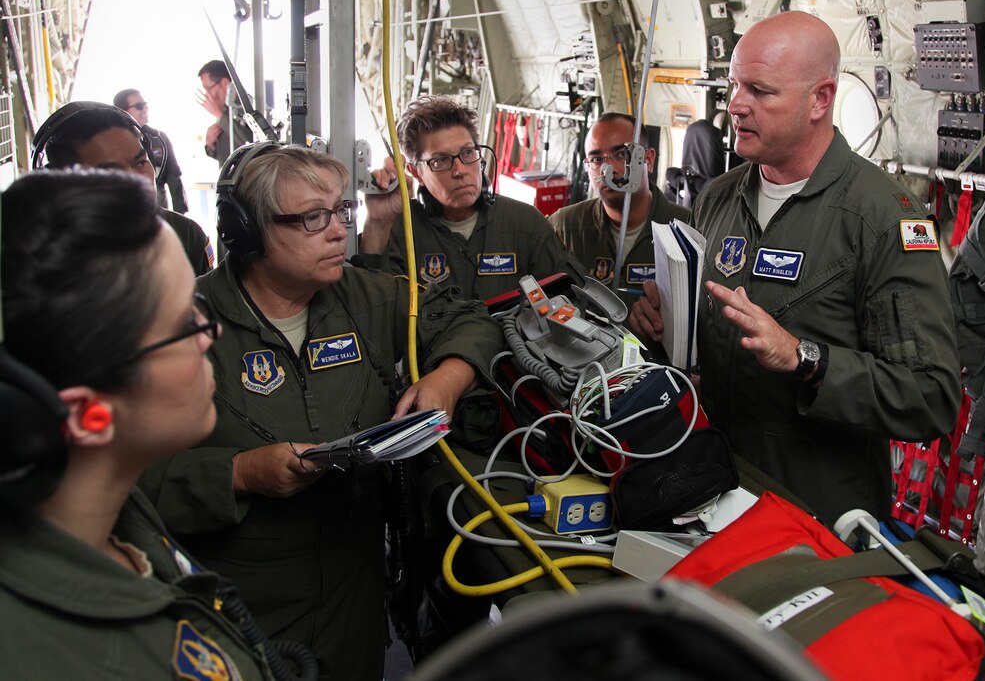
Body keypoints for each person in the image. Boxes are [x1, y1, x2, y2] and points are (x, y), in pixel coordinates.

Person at [139, 143, 505, 680]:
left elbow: (471, 319)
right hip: (238, 610)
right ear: (247, 232)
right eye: (313, 218)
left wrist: (448, 377)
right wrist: (240, 474)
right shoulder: (178, 326)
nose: (339, 231)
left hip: (351, 603)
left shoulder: (366, 297)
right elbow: (131, 486)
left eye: (340, 211)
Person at [628, 11, 960, 524]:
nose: (735, 105)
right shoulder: (718, 198)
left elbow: (931, 397)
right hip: (713, 489)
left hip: (814, 514)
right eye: (735, 85)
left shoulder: (882, 219)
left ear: (820, 100)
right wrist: (661, 320)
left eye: (760, 91)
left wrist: (806, 359)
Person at [0, 170, 282, 679]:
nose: (209, 335)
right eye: (180, 327)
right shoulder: (60, 658)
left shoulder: (117, 517)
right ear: (89, 416)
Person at [353, 95, 584, 303]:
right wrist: (378, 222)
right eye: (441, 160)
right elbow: (373, 308)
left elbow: (573, 296)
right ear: (415, 172)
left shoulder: (525, 223)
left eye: (467, 153)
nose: (460, 170)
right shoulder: (399, 229)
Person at [35, 102, 214, 276]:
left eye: (140, 162)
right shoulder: (46, 261)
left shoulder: (186, 236)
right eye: (112, 173)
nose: (138, 182)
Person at [548, 112, 691, 326]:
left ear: (649, 160)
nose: (610, 169)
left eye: (623, 155)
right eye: (596, 159)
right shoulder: (564, 227)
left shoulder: (688, 228)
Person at [114, 87, 189, 214]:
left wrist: (181, 216)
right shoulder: (114, 141)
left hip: (159, 213)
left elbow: (174, 176)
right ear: (122, 111)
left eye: (145, 105)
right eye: (139, 106)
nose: (145, 109)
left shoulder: (159, 138)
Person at [198, 59, 253, 167]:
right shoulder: (225, 110)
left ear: (224, 83)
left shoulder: (247, 106)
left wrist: (219, 115)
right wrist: (210, 145)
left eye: (209, 88)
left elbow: (249, 144)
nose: (207, 95)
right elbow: (228, 153)